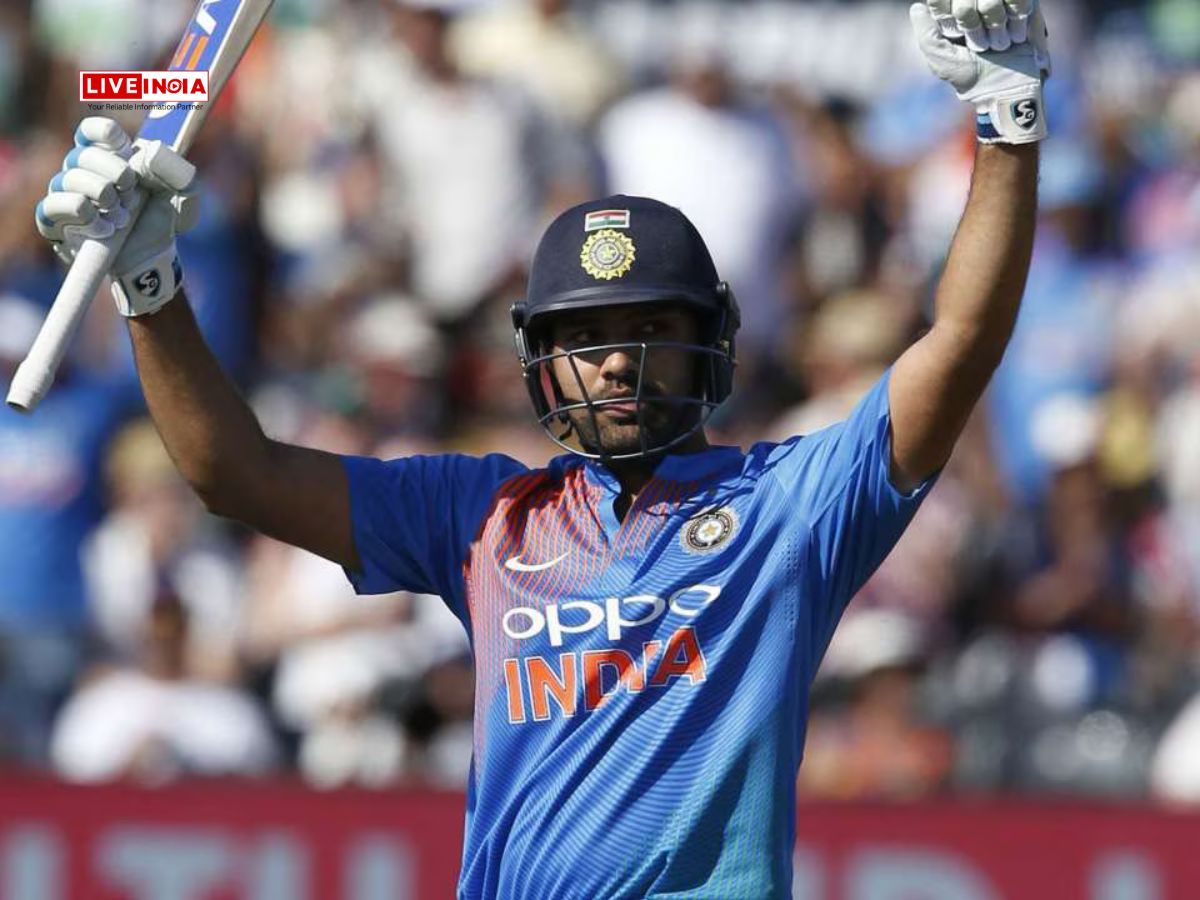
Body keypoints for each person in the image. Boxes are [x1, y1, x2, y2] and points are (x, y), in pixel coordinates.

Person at [32, 2, 1050, 895]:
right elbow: (234, 474)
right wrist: (150, 287)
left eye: (649, 330)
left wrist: (1006, 123)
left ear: (711, 340)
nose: (614, 363)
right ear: (538, 360)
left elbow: (961, 340)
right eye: (584, 339)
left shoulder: (790, 507)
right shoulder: (482, 516)